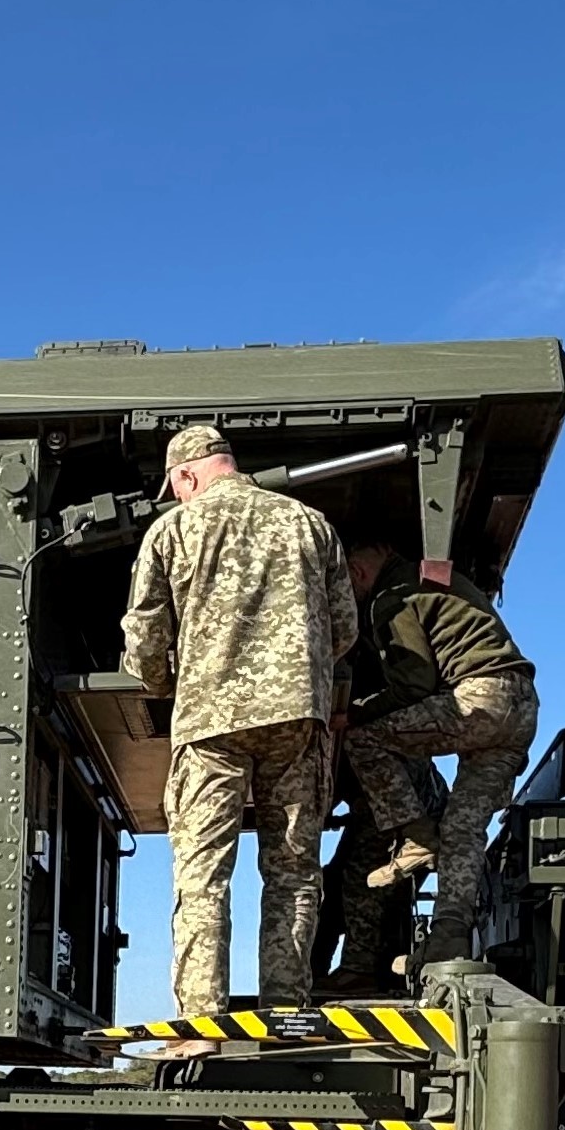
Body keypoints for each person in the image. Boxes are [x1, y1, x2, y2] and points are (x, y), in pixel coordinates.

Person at [119, 424, 356, 1019]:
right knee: (294, 872)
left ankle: (201, 1023)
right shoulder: (309, 523)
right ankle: (286, 1012)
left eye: (176, 487)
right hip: (297, 721)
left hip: (210, 725)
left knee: (203, 875)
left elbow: (146, 637)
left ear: (188, 474)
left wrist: (163, 681)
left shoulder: (172, 529)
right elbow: (344, 629)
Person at [337, 544, 539, 968]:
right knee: (464, 827)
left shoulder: (391, 597)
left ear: (356, 572)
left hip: (479, 698)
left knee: (365, 740)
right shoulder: (435, 577)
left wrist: (355, 713)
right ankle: (450, 938)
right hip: (521, 708)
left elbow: (415, 685)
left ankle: (416, 837)